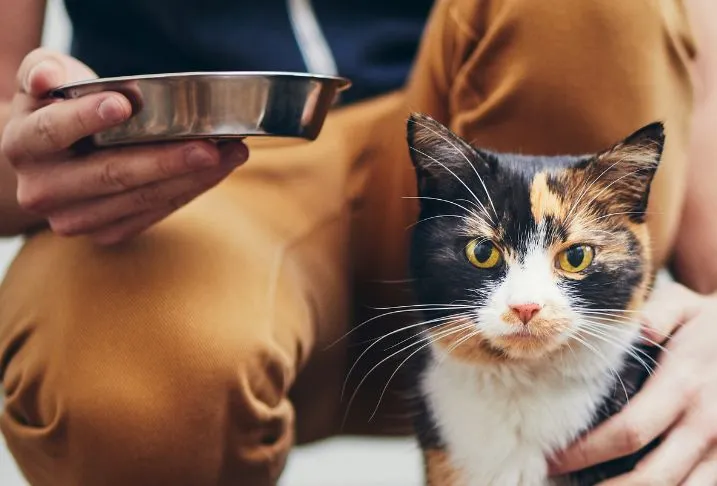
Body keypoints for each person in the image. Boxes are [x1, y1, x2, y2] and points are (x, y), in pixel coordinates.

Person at [1, 0, 717, 484]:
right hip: (189, 175)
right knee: (122, 386)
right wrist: (46, 152)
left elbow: (700, 77)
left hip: (478, 144)